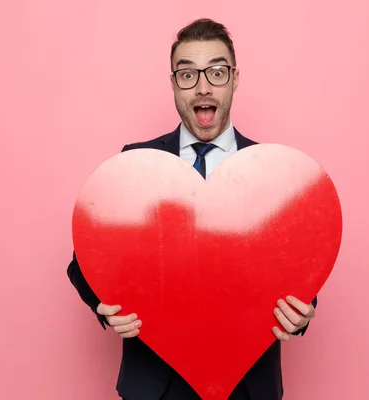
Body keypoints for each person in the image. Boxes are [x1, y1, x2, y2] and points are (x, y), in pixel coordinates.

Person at [67, 18, 318, 400]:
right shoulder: (135, 165)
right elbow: (84, 263)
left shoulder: (272, 173)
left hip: (249, 384)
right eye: (188, 74)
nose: (203, 86)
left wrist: (301, 313)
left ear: (234, 79)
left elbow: (296, 269)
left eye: (216, 72)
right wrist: (104, 307)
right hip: (156, 383)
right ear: (174, 85)